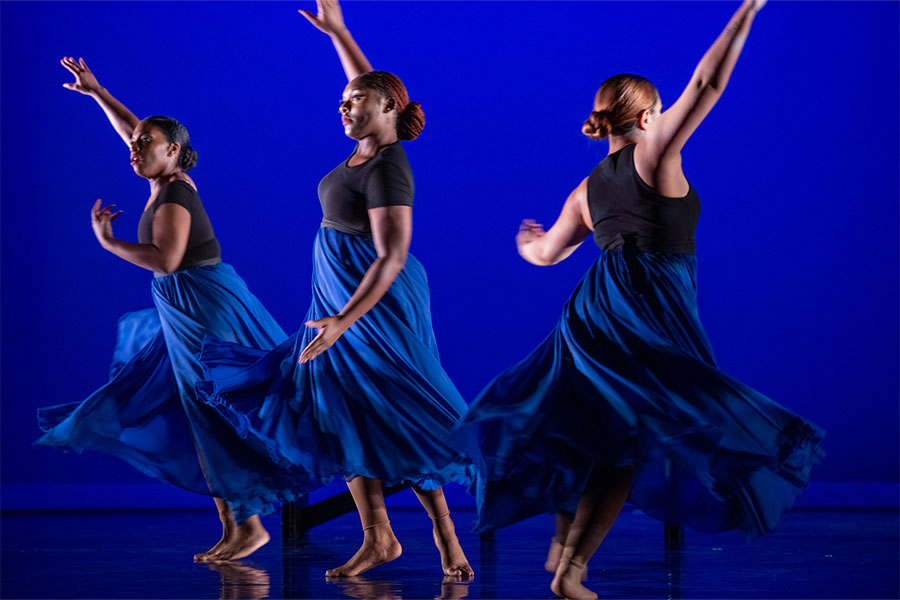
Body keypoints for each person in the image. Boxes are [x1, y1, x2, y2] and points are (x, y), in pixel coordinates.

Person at [455, 2, 823, 598]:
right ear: (647, 115)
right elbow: (708, 82)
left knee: (588, 427)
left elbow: (547, 255)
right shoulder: (654, 154)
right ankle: (571, 569)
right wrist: (749, 8)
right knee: (625, 439)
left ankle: (560, 546)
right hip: (646, 309)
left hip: (594, 311)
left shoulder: (585, 189)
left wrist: (524, 241)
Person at [196, 0, 474, 578]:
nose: (344, 106)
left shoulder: (389, 166)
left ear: (389, 108)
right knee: (339, 406)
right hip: (334, 298)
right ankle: (380, 538)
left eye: (356, 103)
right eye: (342, 102)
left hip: (372, 301)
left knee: (394, 409)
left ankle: (449, 543)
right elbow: (366, 83)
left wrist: (346, 318)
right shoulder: (367, 143)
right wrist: (339, 32)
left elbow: (393, 254)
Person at [36, 57, 292, 562]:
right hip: (183, 306)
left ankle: (250, 526)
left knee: (216, 410)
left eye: (145, 144)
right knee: (196, 413)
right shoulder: (160, 178)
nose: (134, 148)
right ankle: (238, 527)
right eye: (134, 144)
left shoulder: (174, 194)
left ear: (173, 151)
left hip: (203, 304)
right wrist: (98, 93)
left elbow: (167, 259)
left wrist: (108, 243)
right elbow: (136, 131)